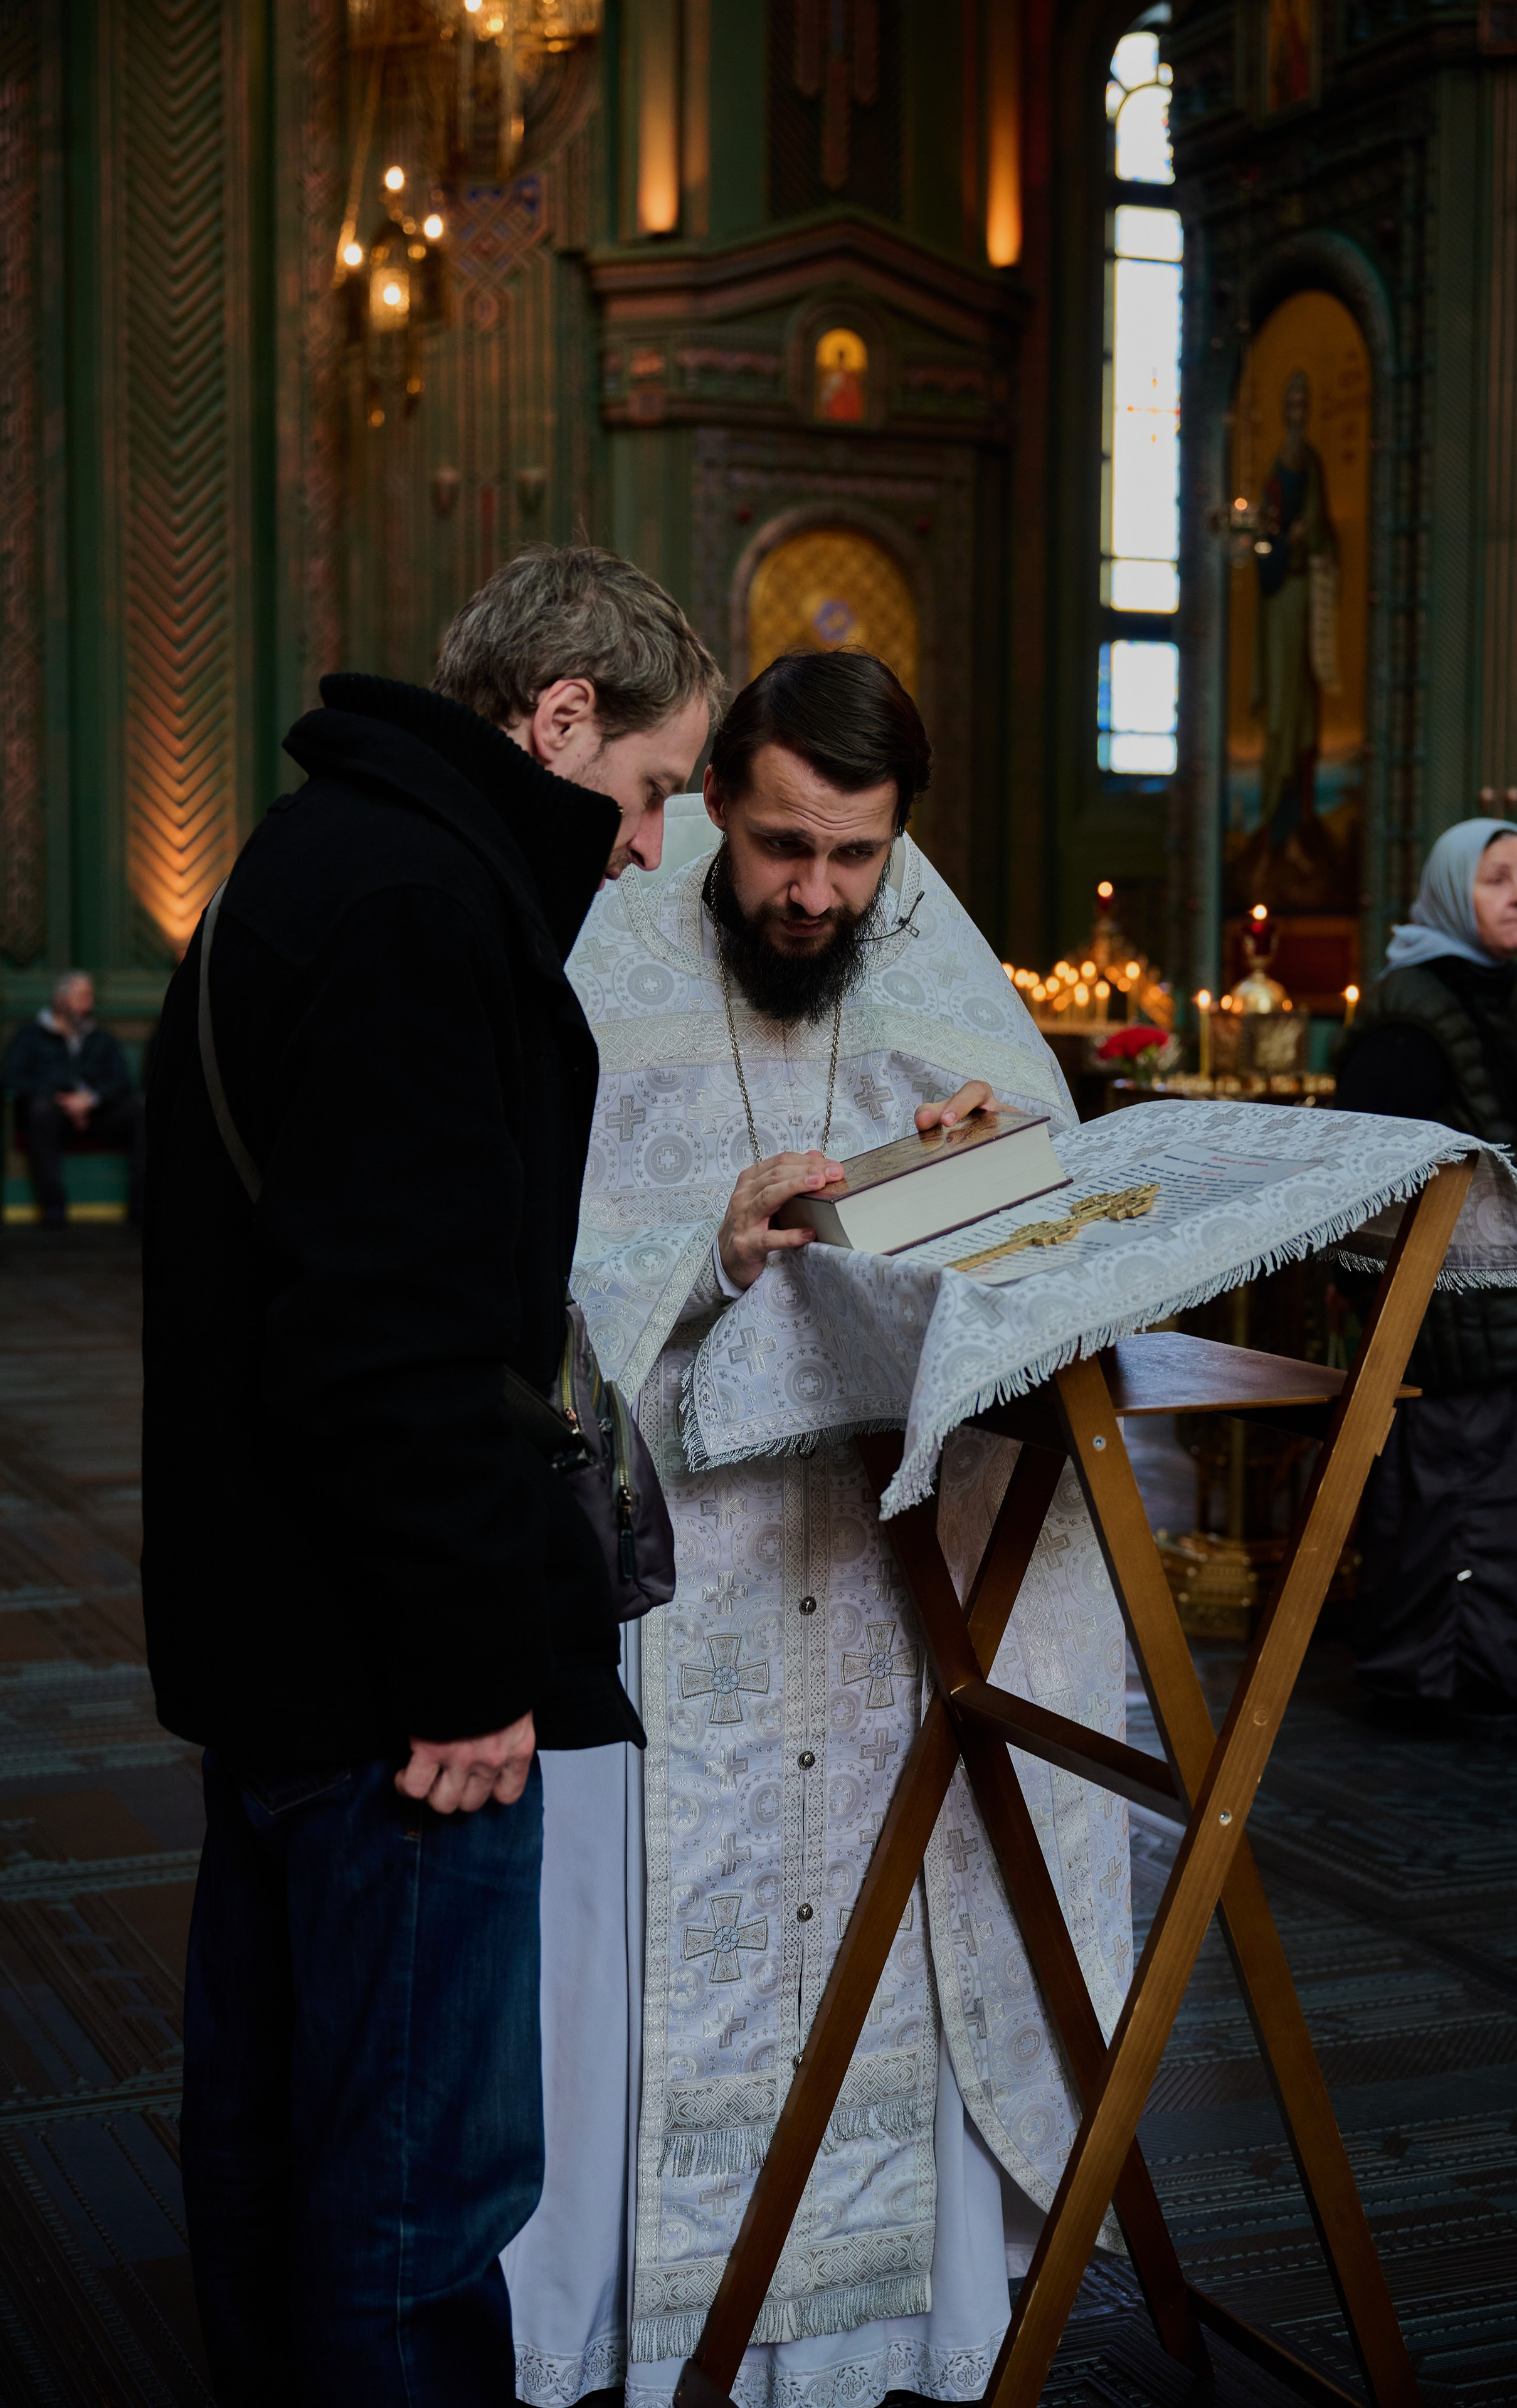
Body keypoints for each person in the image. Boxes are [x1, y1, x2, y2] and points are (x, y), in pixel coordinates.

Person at [502, 650, 1134, 2408]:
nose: (817, 894)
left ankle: (871, 2337)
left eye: (854, 856)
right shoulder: (613, 957)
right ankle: (627, 2332)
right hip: (676, 1570)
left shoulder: (928, 944)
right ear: (715, 805)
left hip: (876, 1572)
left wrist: (973, 1168)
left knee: (885, 1946)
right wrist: (708, 1245)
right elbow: (525, 1271)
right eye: (783, 847)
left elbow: (1043, 1216)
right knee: (642, 1969)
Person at [141, 544, 721, 2406]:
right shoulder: (421, 904)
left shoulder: (323, 853)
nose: (647, 847)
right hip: (392, 1676)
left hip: (281, 1634)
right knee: (418, 2193)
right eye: (647, 793)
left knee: (277, 2136)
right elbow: (391, 1351)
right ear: (561, 719)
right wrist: (474, 1667)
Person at [1336, 816, 1517, 1730]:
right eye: (1494, 879)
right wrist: (1386, 1296)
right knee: (1464, 1504)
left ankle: (1510, 1674)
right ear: (1449, 893)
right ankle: (1445, 1682)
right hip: (1457, 1314)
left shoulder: (1501, 995)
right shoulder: (1414, 1008)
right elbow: (1366, 1171)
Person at [1, 969, 145, 1225]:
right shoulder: (31, 1035)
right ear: (60, 1000)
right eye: (81, 997)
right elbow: (13, 1078)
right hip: (54, 1114)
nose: (87, 1004)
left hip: (98, 1114)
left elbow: (122, 1080)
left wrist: (91, 1099)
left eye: (90, 997)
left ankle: (142, 1205)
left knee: (141, 1108)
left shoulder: (102, 1037)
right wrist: (61, 1098)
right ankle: (54, 1206)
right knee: (41, 1111)